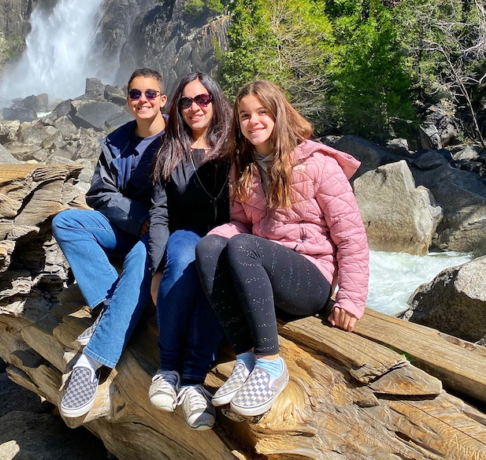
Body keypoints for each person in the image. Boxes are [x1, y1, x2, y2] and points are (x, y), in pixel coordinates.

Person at [195, 80, 369, 418]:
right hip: (265, 275)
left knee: (244, 247)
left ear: (279, 114)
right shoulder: (243, 167)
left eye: (262, 112)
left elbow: (351, 236)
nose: (253, 121)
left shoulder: (318, 164)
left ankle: (271, 364)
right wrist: (214, 241)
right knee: (208, 246)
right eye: (244, 115)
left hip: (310, 280)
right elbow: (242, 223)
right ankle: (246, 358)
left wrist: (350, 298)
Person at [52, 68, 167, 418]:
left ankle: (92, 362)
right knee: (66, 221)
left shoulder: (179, 139)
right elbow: (99, 192)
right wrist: (137, 217)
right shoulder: (116, 141)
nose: (143, 100)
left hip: (160, 232)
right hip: (126, 225)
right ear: (126, 99)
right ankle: (107, 304)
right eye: (135, 94)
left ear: (163, 99)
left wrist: (153, 224)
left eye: (150, 94)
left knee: (139, 255)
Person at [147, 72, 232, 430]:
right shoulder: (169, 149)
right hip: (185, 233)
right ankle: (167, 369)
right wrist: (155, 268)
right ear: (177, 108)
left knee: (213, 265)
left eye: (202, 100)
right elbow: (160, 213)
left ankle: (195, 381)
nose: (194, 107)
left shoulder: (233, 147)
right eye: (186, 101)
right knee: (182, 258)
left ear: (215, 101)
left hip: (228, 236)